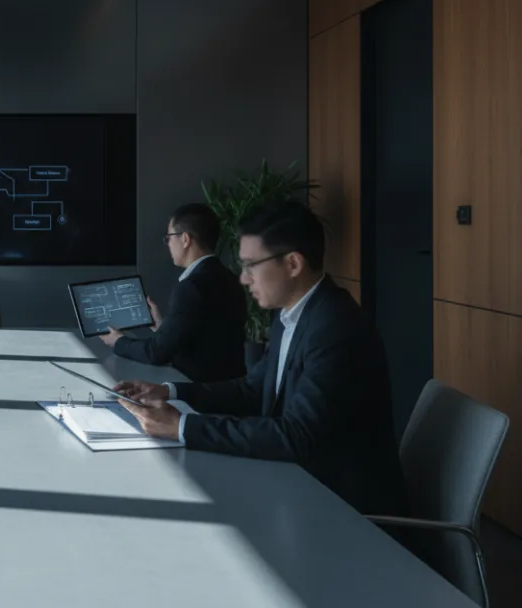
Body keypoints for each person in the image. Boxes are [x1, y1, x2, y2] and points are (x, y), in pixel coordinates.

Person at [115, 201, 407, 515]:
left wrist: (182, 427)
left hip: (344, 509)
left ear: (293, 264)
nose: (243, 279)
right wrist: (170, 392)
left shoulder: (337, 328)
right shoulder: (291, 316)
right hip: (298, 485)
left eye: (251, 265)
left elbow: (298, 437)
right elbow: (253, 389)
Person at [100, 203, 246, 381]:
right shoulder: (230, 278)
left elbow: (156, 353)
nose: (168, 244)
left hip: (200, 394)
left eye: (169, 237)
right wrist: (164, 327)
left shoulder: (192, 286)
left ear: (185, 239)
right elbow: (205, 339)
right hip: (229, 390)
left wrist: (118, 342)